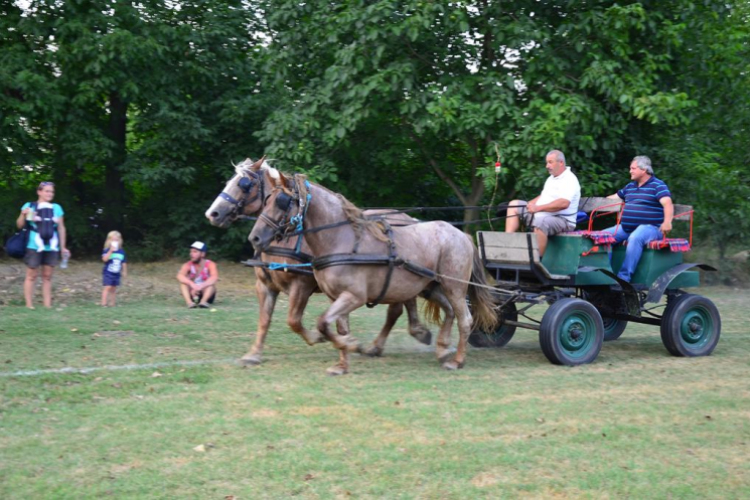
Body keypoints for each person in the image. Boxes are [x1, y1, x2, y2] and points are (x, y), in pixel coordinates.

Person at [604, 155, 673, 282]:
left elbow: (667, 203)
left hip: (652, 228)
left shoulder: (657, 185)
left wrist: (667, 222)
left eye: (633, 168)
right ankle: (605, 275)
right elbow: (614, 198)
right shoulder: (630, 186)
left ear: (644, 170)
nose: (630, 171)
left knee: (635, 237)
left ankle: (623, 278)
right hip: (626, 228)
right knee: (603, 236)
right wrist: (595, 202)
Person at [504, 150, 581, 256]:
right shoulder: (551, 178)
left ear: (561, 163)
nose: (547, 166)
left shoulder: (569, 179)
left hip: (563, 221)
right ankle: (507, 246)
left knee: (540, 223)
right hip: (541, 215)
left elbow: (564, 203)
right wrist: (530, 204)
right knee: (514, 205)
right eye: (547, 162)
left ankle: (537, 261)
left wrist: (538, 208)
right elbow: (543, 196)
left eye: (550, 162)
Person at [15, 181, 70, 309]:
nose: (50, 194)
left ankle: (47, 305)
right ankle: (29, 305)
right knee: (31, 275)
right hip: (34, 245)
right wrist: (23, 214)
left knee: (47, 276)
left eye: (52, 191)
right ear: (39, 192)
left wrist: (63, 247)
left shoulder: (57, 208)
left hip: (51, 246)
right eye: (47, 191)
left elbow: (61, 228)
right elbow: (19, 225)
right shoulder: (30, 206)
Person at [176, 241, 218, 308]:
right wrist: (192, 284)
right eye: (191, 252)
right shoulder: (187, 265)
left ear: (202, 254)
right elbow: (179, 276)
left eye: (195, 252)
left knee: (211, 286)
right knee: (183, 284)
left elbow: (214, 277)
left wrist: (201, 286)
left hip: (206, 292)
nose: (191, 254)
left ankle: (203, 302)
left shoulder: (210, 264)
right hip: (192, 293)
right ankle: (189, 303)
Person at [101, 231, 128, 307]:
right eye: (113, 240)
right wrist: (110, 251)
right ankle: (104, 303)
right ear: (109, 241)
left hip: (117, 273)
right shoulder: (106, 250)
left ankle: (112, 304)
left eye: (117, 240)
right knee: (108, 287)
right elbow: (104, 259)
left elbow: (124, 262)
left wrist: (124, 271)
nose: (115, 242)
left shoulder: (121, 252)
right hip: (108, 272)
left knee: (113, 288)